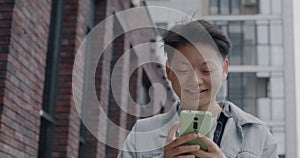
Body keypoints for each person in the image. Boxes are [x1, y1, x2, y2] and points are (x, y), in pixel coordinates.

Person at [118, 20, 278, 158]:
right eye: (182, 70)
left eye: (206, 70)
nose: (194, 81)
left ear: (225, 69)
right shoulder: (141, 134)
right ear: (168, 71)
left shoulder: (258, 135)